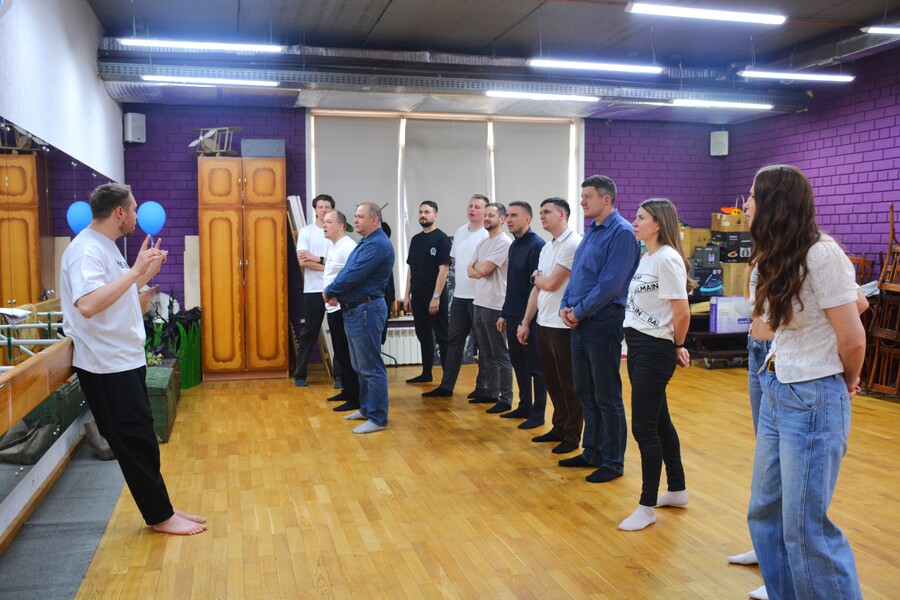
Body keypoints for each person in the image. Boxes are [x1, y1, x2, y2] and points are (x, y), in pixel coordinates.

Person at [746, 165, 865, 599]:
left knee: (804, 528)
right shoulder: (776, 252)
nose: (746, 205)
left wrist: (844, 384)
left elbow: (853, 337)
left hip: (814, 394)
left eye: (752, 196)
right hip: (778, 386)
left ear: (773, 203)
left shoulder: (821, 253)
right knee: (764, 514)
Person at [59, 182, 206, 535]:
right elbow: (89, 305)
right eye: (134, 209)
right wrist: (135, 272)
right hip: (105, 365)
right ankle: (159, 516)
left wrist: (145, 273)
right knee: (133, 442)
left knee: (143, 439)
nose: (138, 216)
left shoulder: (106, 246)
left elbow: (117, 297)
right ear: (119, 212)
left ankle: (162, 506)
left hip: (123, 359)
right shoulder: (85, 250)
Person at [559, 175, 640, 483]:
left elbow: (610, 285)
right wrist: (566, 306)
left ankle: (613, 461)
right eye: (582, 196)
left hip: (603, 321)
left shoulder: (622, 233)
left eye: (588, 197)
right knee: (585, 390)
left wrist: (577, 311)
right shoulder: (592, 231)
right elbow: (578, 275)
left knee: (606, 394)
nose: (582, 202)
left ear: (606, 200)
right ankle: (592, 451)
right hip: (581, 320)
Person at [617, 198, 691, 531]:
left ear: (658, 223)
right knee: (660, 421)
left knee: (644, 428)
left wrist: (677, 345)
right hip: (637, 344)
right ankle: (677, 489)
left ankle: (646, 507)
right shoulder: (647, 256)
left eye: (640, 218)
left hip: (654, 348)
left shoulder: (668, 258)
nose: (634, 222)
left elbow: (682, 312)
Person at [517, 198, 582, 454]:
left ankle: (572, 434)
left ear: (562, 215)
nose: (542, 216)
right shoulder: (547, 247)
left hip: (562, 324)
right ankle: (559, 426)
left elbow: (552, 283)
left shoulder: (573, 243)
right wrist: (525, 322)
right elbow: (538, 287)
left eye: (547, 212)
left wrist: (536, 278)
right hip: (543, 321)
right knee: (552, 380)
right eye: (540, 212)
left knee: (568, 382)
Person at [323, 202, 395, 434]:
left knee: (371, 367)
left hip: (367, 310)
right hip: (356, 310)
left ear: (374, 219)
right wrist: (336, 291)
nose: (355, 220)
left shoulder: (378, 244)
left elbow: (354, 274)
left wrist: (330, 290)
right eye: (355, 216)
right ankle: (366, 409)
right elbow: (347, 271)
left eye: (360, 216)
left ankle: (378, 418)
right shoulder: (366, 242)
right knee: (360, 366)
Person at [423, 195, 490, 400]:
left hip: (480, 297)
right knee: (454, 341)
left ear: (485, 211)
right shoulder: (461, 232)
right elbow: (454, 262)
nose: (472, 209)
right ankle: (446, 386)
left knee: (484, 344)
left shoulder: (487, 234)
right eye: (470, 206)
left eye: (477, 207)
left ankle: (483, 387)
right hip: (460, 296)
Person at [497, 201, 546, 429]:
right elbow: (512, 284)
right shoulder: (514, 245)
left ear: (527, 219)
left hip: (530, 317)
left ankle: (538, 413)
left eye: (514, 216)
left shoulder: (537, 245)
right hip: (513, 313)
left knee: (536, 367)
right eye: (508, 215)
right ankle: (524, 405)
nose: (509, 219)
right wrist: (504, 313)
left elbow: (536, 287)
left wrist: (526, 320)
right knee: (518, 363)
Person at [468, 203, 514, 413]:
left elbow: (485, 269)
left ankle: (505, 398)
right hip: (479, 303)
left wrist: (479, 268)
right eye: (485, 215)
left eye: (491, 215)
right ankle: (490, 392)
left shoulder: (504, 242)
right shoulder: (483, 242)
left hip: (495, 305)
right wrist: (479, 268)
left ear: (502, 219)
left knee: (500, 354)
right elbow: (470, 271)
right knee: (485, 353)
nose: (486, 218)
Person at [404, 201, 451, 383]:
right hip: (418, 296)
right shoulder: (416, 240)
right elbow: (411, 269)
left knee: (442, 337)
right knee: (423, 335)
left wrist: (436, 297)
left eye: (427, 212)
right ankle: (426, 373)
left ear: (435, 215)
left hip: (435, 296)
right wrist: (407, 295)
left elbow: (444, 269)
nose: (423, 215)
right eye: (421, 212)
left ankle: (447, 379)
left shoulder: (441, 239)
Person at [294, 194, 336, 387]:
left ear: (332, 209)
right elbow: (303, 262)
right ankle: (300, 375)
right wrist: (328, 265)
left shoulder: (336, 233)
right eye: (321, 207)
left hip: (334, 288)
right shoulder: (306, 232)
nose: (324, 210)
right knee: (309, 332)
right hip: (312, 290)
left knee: (338, 333)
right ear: (315, 209)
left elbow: (339, 264)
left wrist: (316, 259)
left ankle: (340, 376)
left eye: (327, 207)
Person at [322, 209, 360, 413]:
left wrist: (337, 294)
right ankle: (347, 390)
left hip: (342, 308)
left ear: (341, 226)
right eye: (324, 221)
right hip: (332, 308)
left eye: (329, 222)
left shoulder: (348, 246)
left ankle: (355, 397)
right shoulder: (334, 246)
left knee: (347, 352)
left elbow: (352, 277)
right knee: (340, 352)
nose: (324, 225)